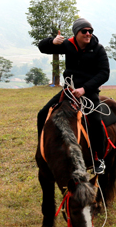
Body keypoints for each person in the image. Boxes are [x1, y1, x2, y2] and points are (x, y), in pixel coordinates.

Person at [37, 18, 111, 174]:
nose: (88, 34)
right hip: (69, 90)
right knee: (42, 114)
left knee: (96, 121)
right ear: (76, 33)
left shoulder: (98, 49)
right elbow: (42, 48)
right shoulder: (68, 45)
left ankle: (99, 159)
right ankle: (42, 150)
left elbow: (104, 73)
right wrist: (53, 41)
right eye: (84, 31)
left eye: (90, 31)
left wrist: (84, 89)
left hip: (88, 92)